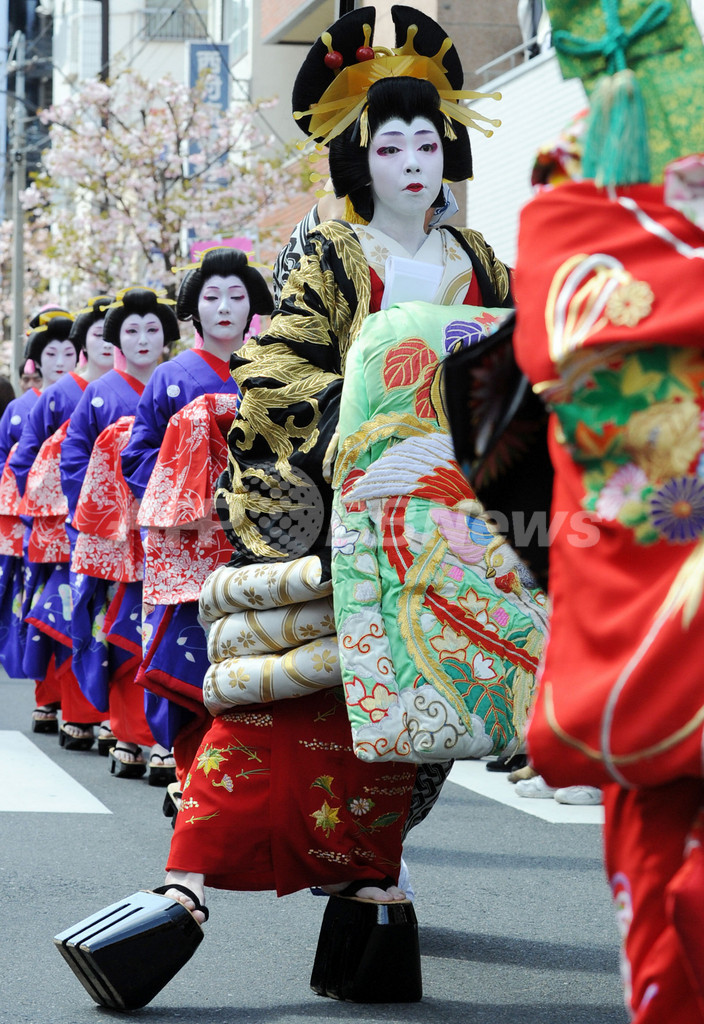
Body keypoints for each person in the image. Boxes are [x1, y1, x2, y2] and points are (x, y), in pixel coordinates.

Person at [164, 5, 510, 920]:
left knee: (423, 718)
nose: (411, 166)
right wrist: (349, 439)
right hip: (349, 504)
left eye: (426, 146)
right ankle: (193, 879)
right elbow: (279, 367)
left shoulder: (478, 258)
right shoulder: (330, 251)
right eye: (390, 148)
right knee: (311, 701)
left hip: (453, 516)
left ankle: (369, 867)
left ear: (447, 155)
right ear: (361, 159)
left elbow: (514, 371)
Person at [510, 1, 704, 1020]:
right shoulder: (575, 160)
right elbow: (562, 327)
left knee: (658, 837)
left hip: (649, 539)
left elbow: (568, 308)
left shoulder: (572, 156)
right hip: (655, 516)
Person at [121, 247, 273, 787]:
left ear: (253, 304)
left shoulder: (274, 369)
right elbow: (135, 456)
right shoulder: (170, 376)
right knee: (190, 658)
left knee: (252, 658)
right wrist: (187, 487)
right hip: (190, 540)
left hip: (256, 536)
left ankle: (243, 778)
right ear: (193, 308)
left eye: (237, 296)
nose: (225, 307)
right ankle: (190, 774)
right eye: (212, 297)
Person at [60, 287, 178, 778]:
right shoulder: (101, 391)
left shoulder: (179, 381)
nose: (143, 338)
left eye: (153, 328)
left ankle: (169, 737)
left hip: (173, 520)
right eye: (131, 330)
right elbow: (74, 457)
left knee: (171, 627)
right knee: (127, 625)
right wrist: (93, 517)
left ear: (168, 336)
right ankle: (130, 730)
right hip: (117, 529)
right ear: (114, 340)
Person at [9, 297, 115, 747]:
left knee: (112, 615)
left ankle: (112, 714)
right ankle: (63, 702)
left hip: (118, 527)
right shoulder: (56, 396)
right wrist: (59, 506)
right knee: (65, 611)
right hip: (62, 525)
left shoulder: (139, 387)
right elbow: (24, 459)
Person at [0, 310, 76, 726]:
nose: (62, 358)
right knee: (41, 604)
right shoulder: (21, 407)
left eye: (69, 349)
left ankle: (79, 701)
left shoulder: (88, 392)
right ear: (36, 361)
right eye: (52, 351)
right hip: (39, 520)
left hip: (89, 516)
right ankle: (46, 694)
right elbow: (12, 462)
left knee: (79, 605)